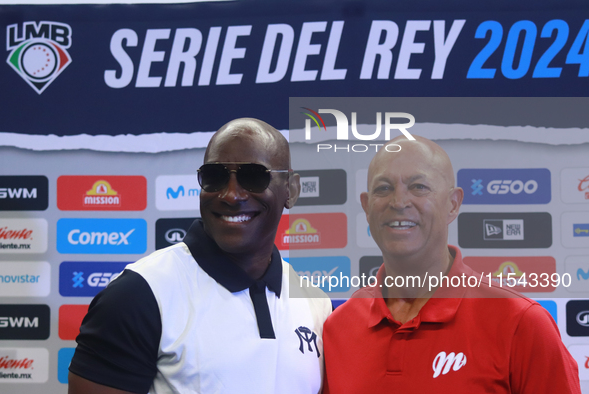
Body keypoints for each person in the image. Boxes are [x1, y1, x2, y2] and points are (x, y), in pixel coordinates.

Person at [68, 118, 332, 394]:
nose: (231, 194)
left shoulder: (315, 302)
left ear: (291, 189)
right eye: (214, 177)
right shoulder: (140, 293)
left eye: (254, 176)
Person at [322, 136, 581, 393]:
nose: (399, 202)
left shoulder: (520, 323)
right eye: (383, 188)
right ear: (366, 208)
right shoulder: (338, 328)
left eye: (418, 186)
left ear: (453, 204)